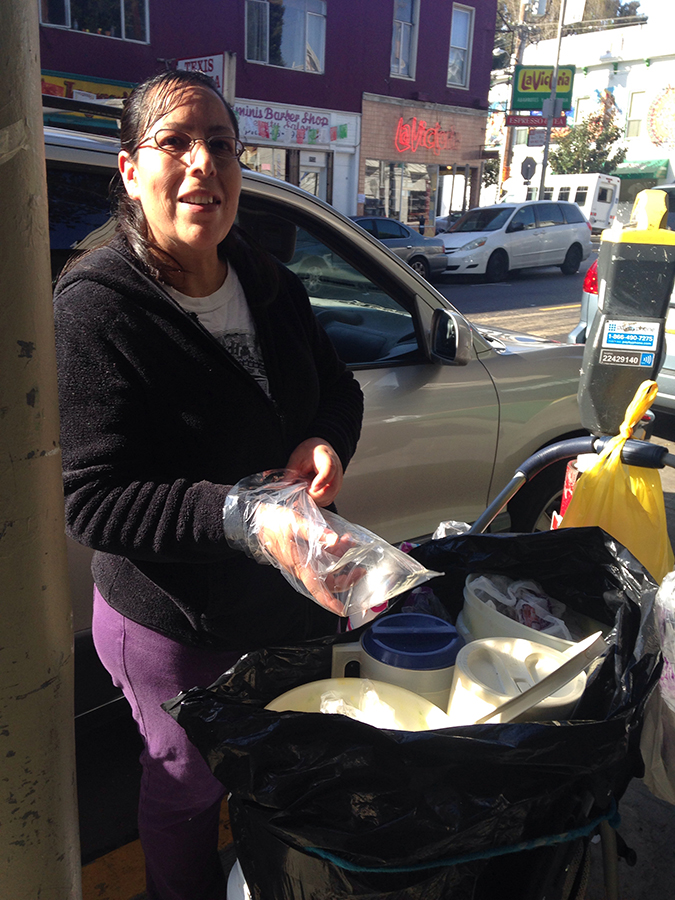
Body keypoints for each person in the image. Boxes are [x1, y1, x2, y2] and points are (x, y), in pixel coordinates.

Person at [53, 68, 364, 900]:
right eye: (176, 142)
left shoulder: (267, 281)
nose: (203, 164)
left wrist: (324, 440)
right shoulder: (95, 306)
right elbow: (96, 497)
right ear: (129, 169)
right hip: (175, 623)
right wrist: (240, 516)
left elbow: (339, 388)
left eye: (220, 144)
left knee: (275, 768)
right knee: (188, 789)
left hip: (283, 600)